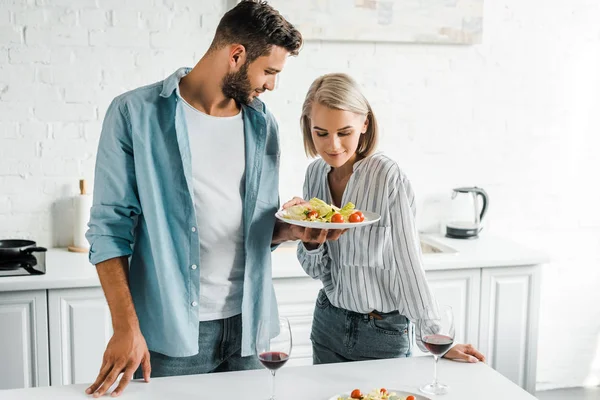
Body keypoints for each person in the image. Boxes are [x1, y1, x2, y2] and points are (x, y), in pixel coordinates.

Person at [84, 2, 338, 398]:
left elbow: (249, 225)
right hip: (171, 335)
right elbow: (108, 229)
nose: (272, 85)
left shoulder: (261, 123)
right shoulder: (136, 113)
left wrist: (290, 229)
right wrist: (125, 327)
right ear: (236, 55)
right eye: (269, 71)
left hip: (250, 330)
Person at [284, 73, 486, 365]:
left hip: (382, 334)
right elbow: (317, 271)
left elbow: (408, 264)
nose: (333, 145)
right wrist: (311, 243)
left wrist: (434, 337)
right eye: (321, 133)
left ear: (364, 124)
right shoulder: (314, 175)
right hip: (328, 323)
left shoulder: (385, 176)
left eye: (344, 132)